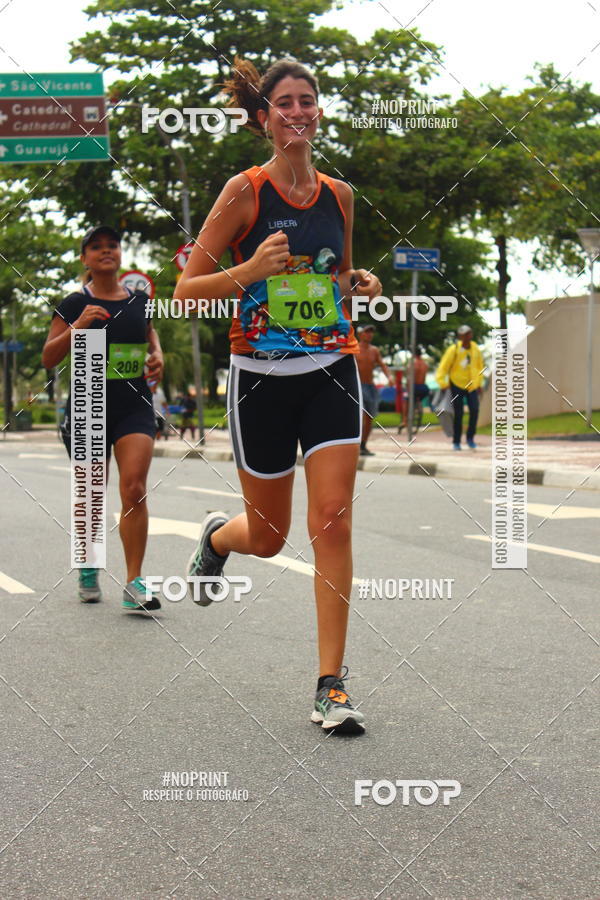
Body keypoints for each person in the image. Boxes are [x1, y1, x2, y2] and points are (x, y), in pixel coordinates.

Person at [174, 56, 383, 734]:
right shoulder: (244, 191)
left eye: (307, 100)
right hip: (260, 378)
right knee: (268, 536)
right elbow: (186, 291)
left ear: (317, 112)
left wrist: (361, 285)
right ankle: (219, 539)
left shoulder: (339, 195)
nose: (298, 111)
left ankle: (331, 686)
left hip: (331, 369)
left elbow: (337, 275)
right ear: (265, 118)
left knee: (334, 519)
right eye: (284, 102)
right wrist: (250, 269)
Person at [42, 225, 164, 611]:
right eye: (96, 247)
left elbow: (150, 333)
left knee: (134, 488)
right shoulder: (75, 302)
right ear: (85, 259)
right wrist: (78, 328)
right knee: (93, 493)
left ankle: (134, 582)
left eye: (112, 245)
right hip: (89, 401)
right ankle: (89, 565)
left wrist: (156, 355)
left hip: (134, 403)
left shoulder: (139, 300)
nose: (106, 251)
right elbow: (48, 357)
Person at [435, 324, 484, 450]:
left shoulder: (475, 349)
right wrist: (442, 383)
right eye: (464, 335)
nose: (467, 336)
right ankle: (456, 441)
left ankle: (470, 438)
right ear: (460, 336)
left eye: (469, 334)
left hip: (472, 385)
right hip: (456, 384)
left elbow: (479, 367)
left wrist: (479, 383)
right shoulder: (453, 349)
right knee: (459, 413)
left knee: (475, 410)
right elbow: (443, 367)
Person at [356, 324, 394, 456]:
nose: (369, 334)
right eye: (367, 332)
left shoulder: (374, 350)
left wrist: (389, 376)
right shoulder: (355, 348)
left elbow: (382, 364)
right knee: (359, 415)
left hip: (370, 386)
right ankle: (355, 444)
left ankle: (363, 444)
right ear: (360, 334)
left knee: (370, 417)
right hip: (358, 385)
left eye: (371, 332)